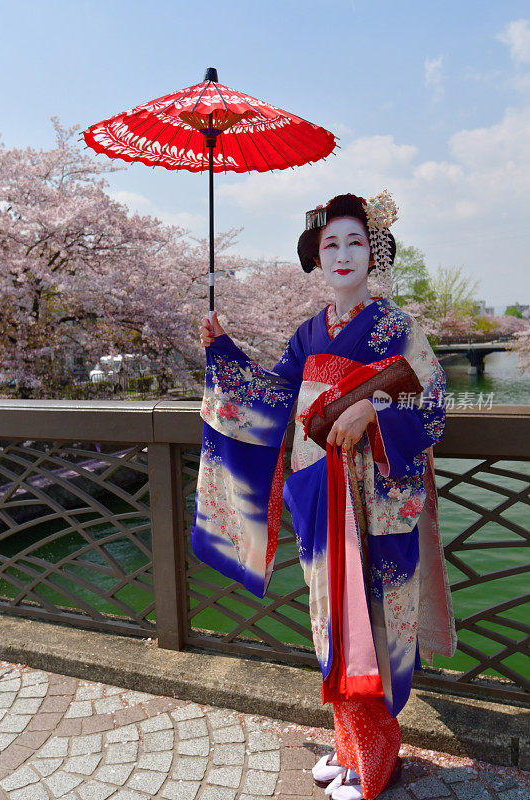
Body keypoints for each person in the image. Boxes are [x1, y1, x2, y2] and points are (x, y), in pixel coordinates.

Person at [194, 192, 456, 800]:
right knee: (331, 617)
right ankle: (347, 747)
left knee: (377, 615)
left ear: (375, 252)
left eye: (355, 242)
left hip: (380, 497)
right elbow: (270, 398)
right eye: (330, 244)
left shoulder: (398, 328)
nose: (342, 254)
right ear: (316, 256)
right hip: (320, 491)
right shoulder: (308, 333)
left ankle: (377, 754)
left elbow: (434, 409)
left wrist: (371, 407)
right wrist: (222, 351)